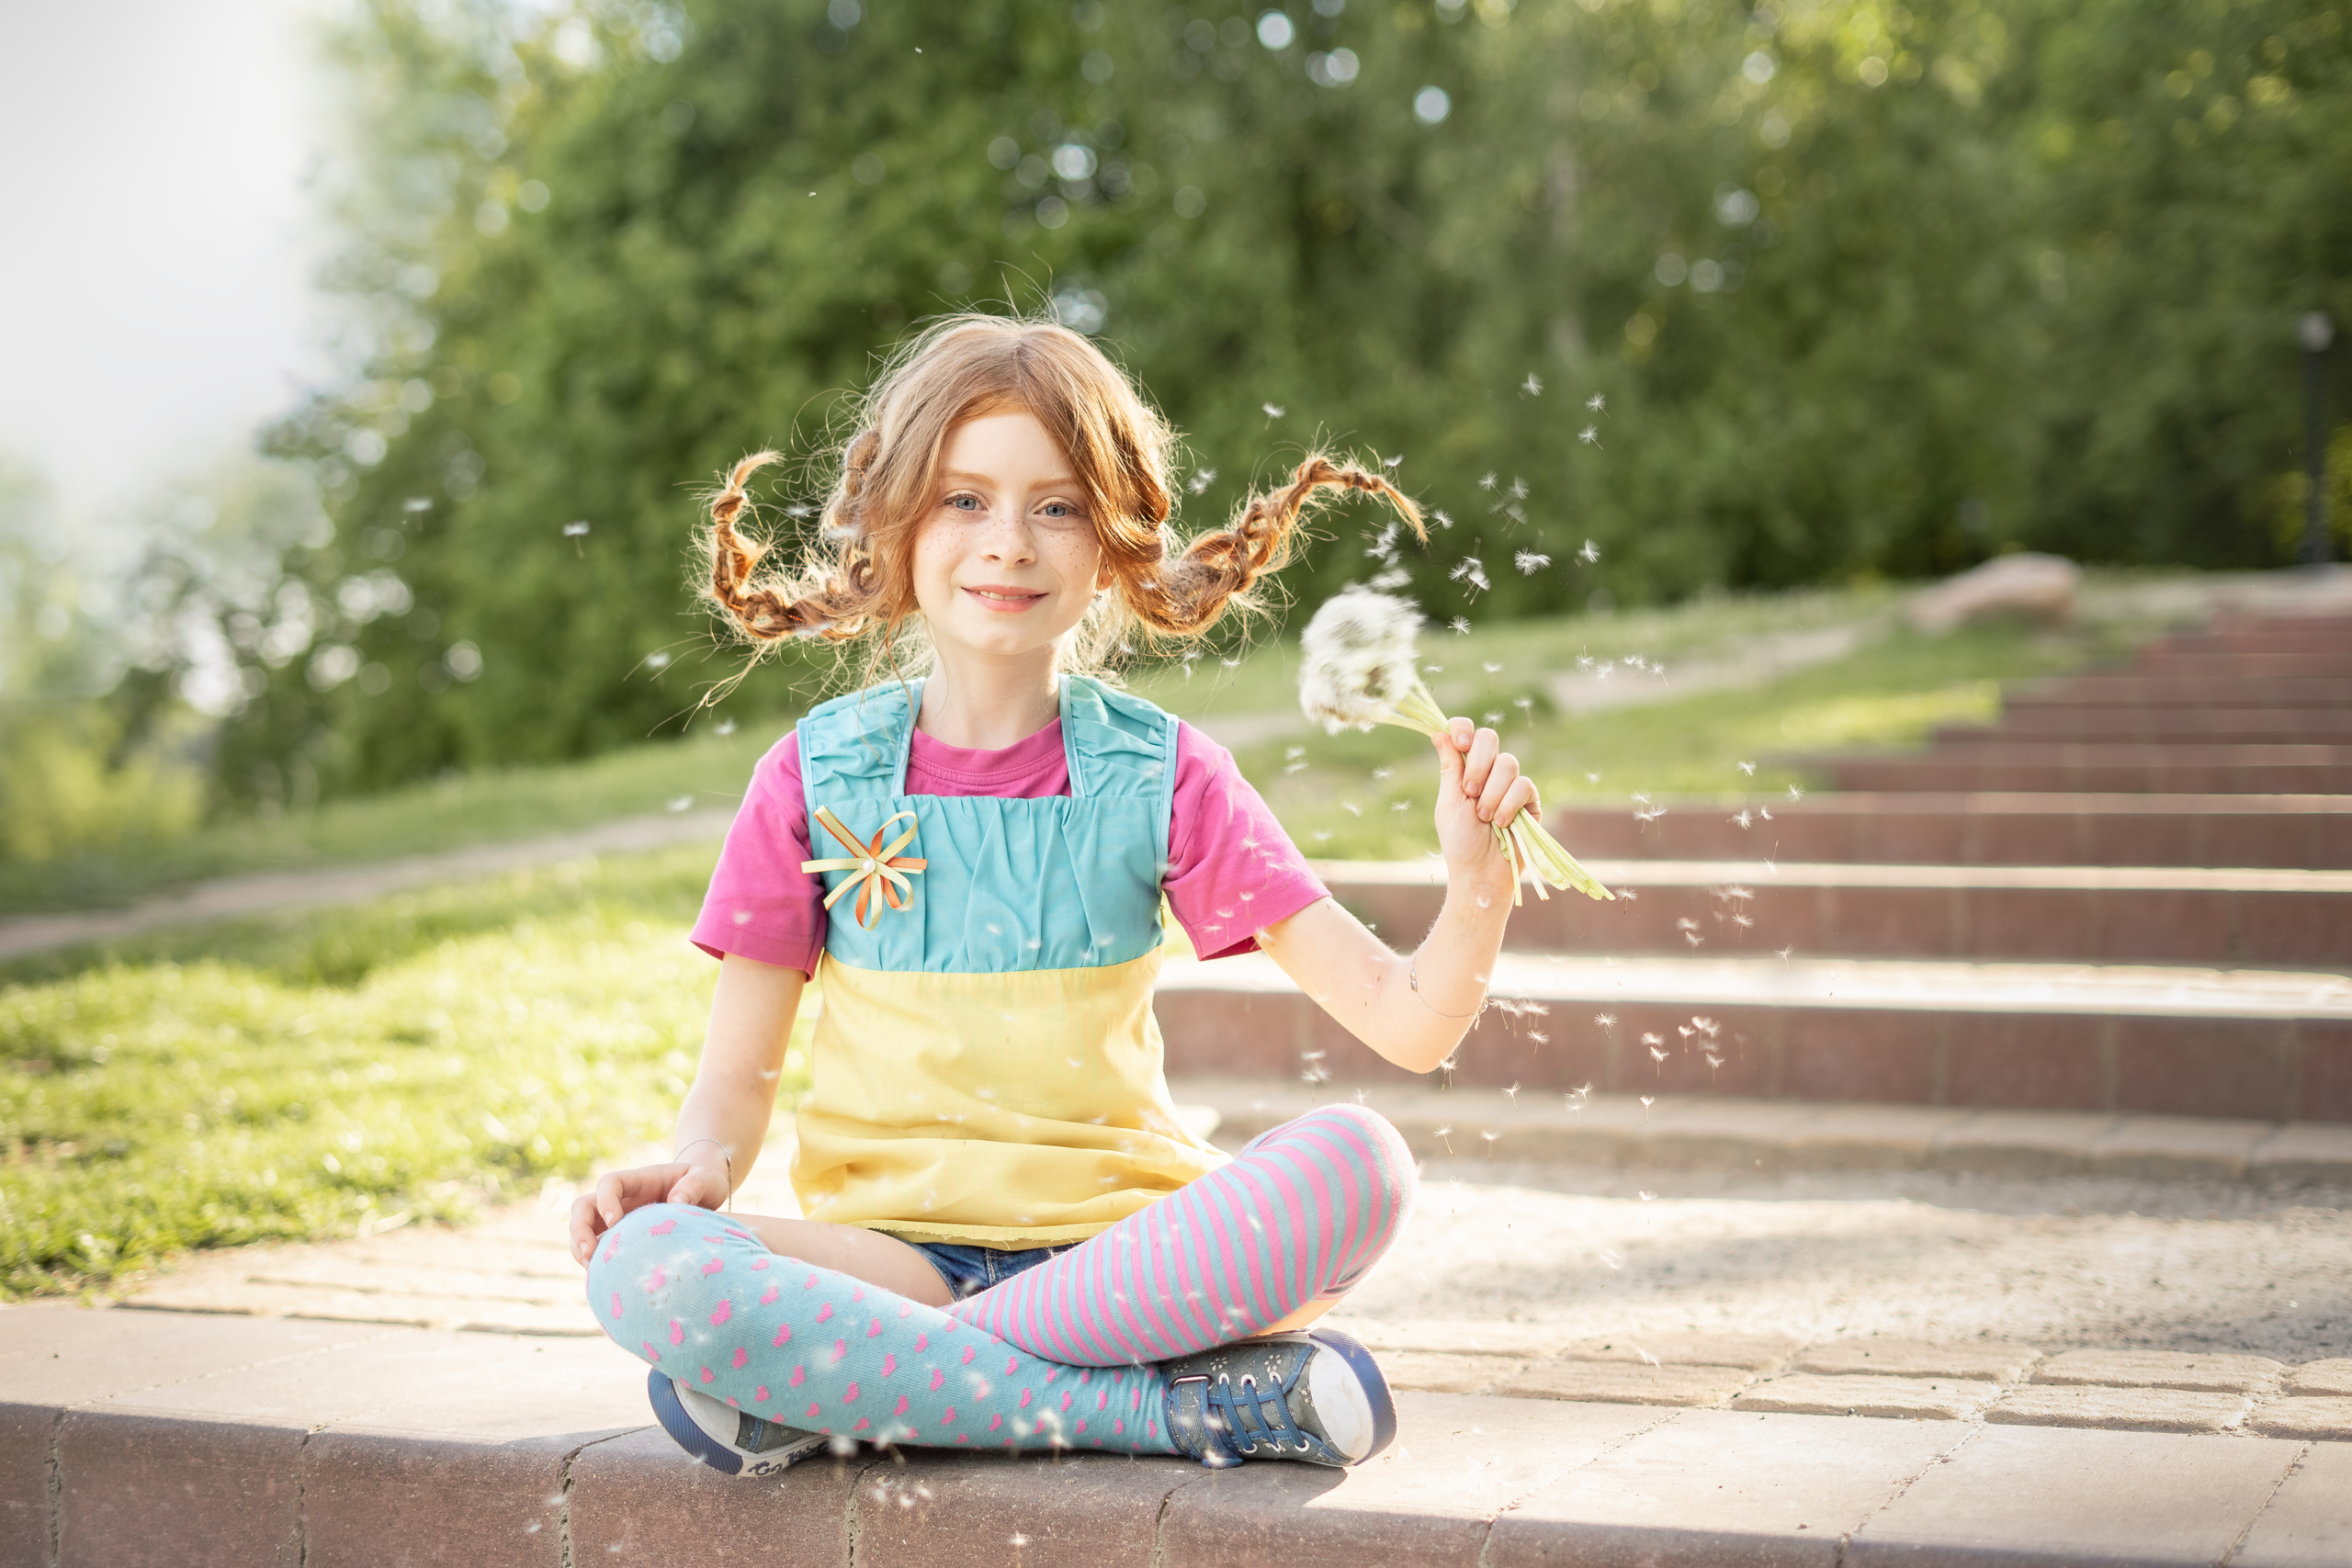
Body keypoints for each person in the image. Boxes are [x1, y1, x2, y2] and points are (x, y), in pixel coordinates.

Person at [570, 314, 1546, 1476]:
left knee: (1361, 1164)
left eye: (1056, 506)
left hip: (1127, 1262)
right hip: (886, 1260)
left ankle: (874, 1385)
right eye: (962, 500)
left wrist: (1477, 883)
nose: (1009, 544)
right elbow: (736, 1083)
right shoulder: (811, 775)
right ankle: (1154, 1412)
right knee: (645, 1263)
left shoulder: (1164, 772)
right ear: (895, 521)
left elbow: (1409, 1022)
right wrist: (694, 1172)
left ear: (1111, 539)